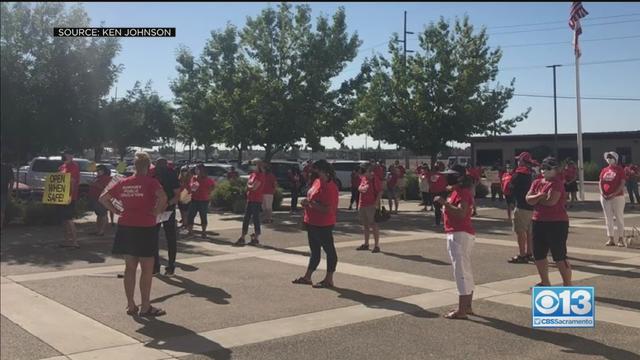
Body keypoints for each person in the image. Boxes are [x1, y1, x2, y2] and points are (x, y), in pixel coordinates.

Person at [99, 151, 168, 317]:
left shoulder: (123, 182)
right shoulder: (152, 182)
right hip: (145, 226)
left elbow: (103, 198)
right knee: (146, 269)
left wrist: (115, 210)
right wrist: (157, 211)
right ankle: (145, 306)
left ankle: (131, 305)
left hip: (126, 226)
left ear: (134, 166)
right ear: (148, 166)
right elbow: (163, 197)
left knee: (129, 268)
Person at [433, 173, 476, 320]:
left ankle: (462, 310)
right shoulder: (456, 192)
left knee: (461, 272)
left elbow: (461, 213)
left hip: (459, 234)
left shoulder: (462, 193)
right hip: (458, 233)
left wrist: (444, 203)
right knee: (465, 270)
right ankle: (467, 306)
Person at [292, 160, 340, 288]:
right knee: (315, 251)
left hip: (323, 223)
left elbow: (327, 209)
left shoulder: (330, 187)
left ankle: (329, 279)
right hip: (312, 221)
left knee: (329, 251)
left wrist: (311, 204)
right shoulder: (317, 182)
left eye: (316, 170)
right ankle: (307, 277)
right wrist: (307, 204)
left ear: (324, 170)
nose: (313, 172)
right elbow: (312, 198)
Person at [526, 157, 572, 287]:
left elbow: (551, 201)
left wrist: (537, 199)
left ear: (556, 170)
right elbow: (528, 199)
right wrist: (539, 196)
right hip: (538, 220)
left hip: (557, 222)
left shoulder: (557, 183)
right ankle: (545, 281)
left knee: (559, 255)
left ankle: (567, 284)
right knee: (538, 253)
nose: (544, 170)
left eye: (548, 168)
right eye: (543, 167)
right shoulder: (537, 182)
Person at [153, 158, 181, 276]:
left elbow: (177, 194)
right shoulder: (157, 175)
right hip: (163, 209)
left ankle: (163, 266)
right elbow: (177, 194)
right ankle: (165, 266)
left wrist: (167, 204)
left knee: (159, 237)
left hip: (163, 210)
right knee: (166, 237)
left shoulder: (166, 174)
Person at [508, 152, 535, 264]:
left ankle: (522, 255)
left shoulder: (518, 174)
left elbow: (510, 188)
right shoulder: (532, 174)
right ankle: (529, 253)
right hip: (532, 206)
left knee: (520, 231)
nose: (517, 162)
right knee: (529, 232)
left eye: (519, 160)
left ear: (522, 162)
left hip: (521, 206)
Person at [599, 152, 626, 247]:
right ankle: (610, 238)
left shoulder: (620, 170)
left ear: (615, 158)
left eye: (611, 157)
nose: (609, 158)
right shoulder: (604, 170)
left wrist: (614, 194)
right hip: (605, 198)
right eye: (607, 157)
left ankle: (621, 238)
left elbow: (622, 183)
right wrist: (602, 193)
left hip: (617, 197)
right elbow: (600, 182)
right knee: (608, 218)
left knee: (619, 217)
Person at [236, 158, 264, 246]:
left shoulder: (261, 175)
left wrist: (249, 186)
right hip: (250, 199)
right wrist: (249, 186)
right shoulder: (252, 175)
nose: (252, 166)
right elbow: (248, 185)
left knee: (256, 218)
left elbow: (253, 188)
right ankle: (243, 236)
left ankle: (256, 237)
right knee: (246, 218)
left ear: (258, 165)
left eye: (254, 164)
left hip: (256, 200)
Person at [356, 164, 383, 253]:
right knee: (365, 225)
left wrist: (376, 203)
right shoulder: (363, 179)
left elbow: (380, 191)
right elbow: (361, 190)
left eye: (363, 172)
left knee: (373, 225)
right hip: (362, 204)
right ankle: (366, 243)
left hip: (371, 205)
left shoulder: (374, 178)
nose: (361, 174)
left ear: (368, 171)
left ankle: (376, 245)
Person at [59, 149, 80, 248]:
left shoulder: (74, 166)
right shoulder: (62, 166)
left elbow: (73, 181)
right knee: (64, 220)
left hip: (70, 196)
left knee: (69, 219)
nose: (67, 156)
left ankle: (75, 242)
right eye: (66, 154)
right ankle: (66, 240)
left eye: (70, 154)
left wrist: (70, 196)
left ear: (72, 156)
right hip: (61, 196)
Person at [187, 164, 216, 238]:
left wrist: (209, 192)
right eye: (196, 169)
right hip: (194, 200)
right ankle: (190, 231)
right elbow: (191, 188)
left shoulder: (208, 179)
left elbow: (213, 186)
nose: (196, 171)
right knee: (190, 216)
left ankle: (203, 232)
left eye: (198, 169)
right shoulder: (194, 178)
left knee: (203, 216)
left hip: (204, 200)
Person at [88, 165, 112, 236]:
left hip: (101, 198)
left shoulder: (106, 178)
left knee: (103, 214)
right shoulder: (97, 178)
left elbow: (104, 188)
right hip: (95, 198)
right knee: (99, 215)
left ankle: (101, 231)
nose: (97, 171)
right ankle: (98, 230)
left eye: (99, 170)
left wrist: (94, 184)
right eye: (97, 170)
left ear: (104, 171)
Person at [429, 162, 448, 227]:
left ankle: (438, 222)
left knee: (438, 208)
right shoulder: (444, 175)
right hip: (441, 192)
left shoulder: (434, 175)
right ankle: (441, 222)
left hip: (438, 193)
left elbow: (431, 184)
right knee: (441, 208)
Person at [1, 160, 14, 230]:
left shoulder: (6, 168)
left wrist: (10, 192)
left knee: (2, 211)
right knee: (2, 211)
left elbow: (11, 181)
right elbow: (11, 181)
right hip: (3, 192)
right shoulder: (7, 168)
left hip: (3, 192)